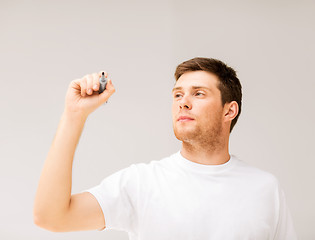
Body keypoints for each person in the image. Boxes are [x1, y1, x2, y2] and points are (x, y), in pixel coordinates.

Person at [33, 57, 297, 239]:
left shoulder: (265, 189)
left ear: (229, 110)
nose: (183, 102)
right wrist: (74, 115)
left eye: (199, 93)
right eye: (178, 94)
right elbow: (51, 216)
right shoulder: (141, 183)